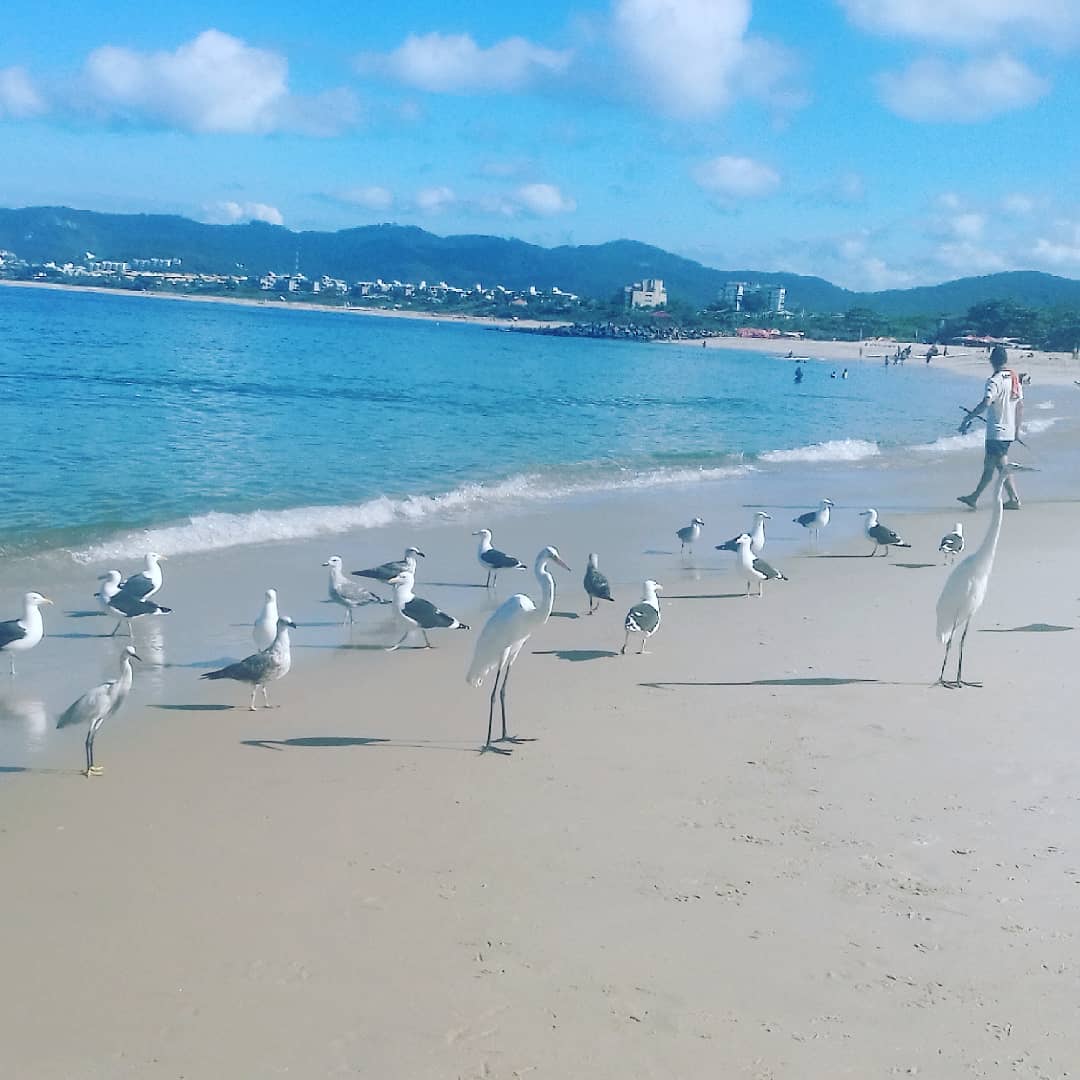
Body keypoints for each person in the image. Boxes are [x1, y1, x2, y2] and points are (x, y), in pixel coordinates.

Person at [957, 345, 1023, 510]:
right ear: (1005, 359)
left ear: (992, 360)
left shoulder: (994, 381)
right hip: (1007, 432)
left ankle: (978, 497)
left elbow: (986, 403)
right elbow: (1020, 405)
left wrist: (968, 417)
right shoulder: (1014, 378)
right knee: (999, 466)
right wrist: (1016, 430)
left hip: (996, 433)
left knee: (992, 467)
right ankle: (979, 496)